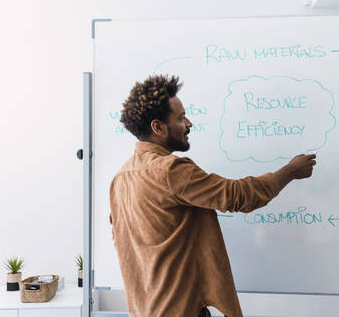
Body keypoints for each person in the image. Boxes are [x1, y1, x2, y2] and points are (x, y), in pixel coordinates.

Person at [109, 75, 316, 317]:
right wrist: (290, 171)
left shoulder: (119, 180)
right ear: (158, 127)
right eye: (180, 117)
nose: (189, 123)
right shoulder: (169, 171)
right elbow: (237, 196)